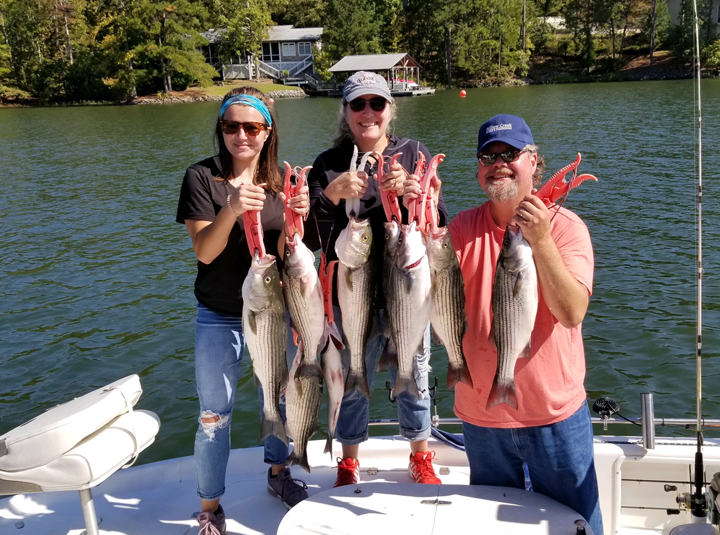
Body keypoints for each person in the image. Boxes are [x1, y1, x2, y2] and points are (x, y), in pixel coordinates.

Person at [446, 114, 602, 535]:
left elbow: (571, 313)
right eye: (488, 156)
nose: (499, 162)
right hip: (481, 417)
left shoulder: (567, 228)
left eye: (510, 154)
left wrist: (542, 240)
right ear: (479, 169)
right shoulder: (460, 228)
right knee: (495, 527)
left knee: (577, 525)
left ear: (534, 161)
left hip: (554, 416)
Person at [176, 87, 310, 534]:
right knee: (215, 416)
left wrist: (294, 226)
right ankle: (210, 508)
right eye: (230, 126)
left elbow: (281, 255)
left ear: (267, 132)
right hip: (218, 316)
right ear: (221, 129)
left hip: (273, 312)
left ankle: (278, 474)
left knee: (277, 399)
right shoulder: (202, 178)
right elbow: (205, 252)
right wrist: (231, 209)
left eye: (251, 127)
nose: (240, 136)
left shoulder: (277, 186)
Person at [306, 71, 448, 487]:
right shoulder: (327, 164)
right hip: (353, 296)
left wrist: (414, 195)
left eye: (377, 104)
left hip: (408, 290)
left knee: (414, 374)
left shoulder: (414, 154)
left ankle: (420, 454)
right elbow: (313, 239)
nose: (368, 113)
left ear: (390, 110)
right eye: (358, 104)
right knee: (355, 375)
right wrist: (331, 195)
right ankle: (348, 460)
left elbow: (439, 225)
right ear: (346, 113)